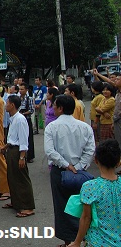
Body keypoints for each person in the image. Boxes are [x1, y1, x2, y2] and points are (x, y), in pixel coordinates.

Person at [44, 95, 95, 246]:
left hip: (60, 171)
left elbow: (50, 151)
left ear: (60, 108)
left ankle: (69, 241)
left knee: (62, 206)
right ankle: (81, 239)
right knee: (80, 206)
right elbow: (90, 150)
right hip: (79, 173)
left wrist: (66, 165)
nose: (53, 108)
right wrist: (78, 167)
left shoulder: (52, 127)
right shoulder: (85, 127)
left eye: (54, 106)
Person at [68, 139, 121, 247]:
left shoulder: (90, 187)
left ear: (96, 160)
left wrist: (77, 242)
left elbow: (86, 218)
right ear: (118, 162)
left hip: (98, 242)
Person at [1, 95, 35, 218]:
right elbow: (13, 137)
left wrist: (22, 157)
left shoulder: (20, 119)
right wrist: (5, 146)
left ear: (12, 105)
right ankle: (16, 202)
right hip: (11, 149)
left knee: (21, 179)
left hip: (17, 152)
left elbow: (23, 140)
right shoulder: (13, 118)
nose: (6, 105)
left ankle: (27, 206)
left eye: (7, 103)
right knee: (12, 178)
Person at [18, 83, 35, 163]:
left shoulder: (29, 99)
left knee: (29, 137)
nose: (20, 91)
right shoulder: (17, 98)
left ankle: (30, 156)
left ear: (26, 90)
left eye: (22, 89)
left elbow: (31, 110)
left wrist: (24, 113)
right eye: (20, 89)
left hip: (27, 119)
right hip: (19, 120)